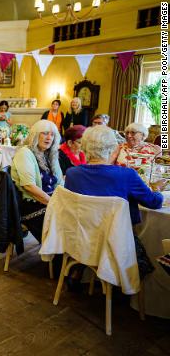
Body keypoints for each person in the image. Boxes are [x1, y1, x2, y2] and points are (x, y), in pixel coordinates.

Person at [65, 126, 167, 279]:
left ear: (84, 146)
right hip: (117, 241)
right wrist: (157, 189)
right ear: (113, 147)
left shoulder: (72, 174)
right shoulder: (126, 175)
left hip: (81, 237)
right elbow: (154, 202)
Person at [11, 120, 63, 242]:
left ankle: (71, 254)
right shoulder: (25, 153)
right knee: (63, 222)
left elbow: (60, 182)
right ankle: (57, 256)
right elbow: (29, 186)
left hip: (49, 201)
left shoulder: (50, 154)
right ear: (35, 135)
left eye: (52, 134)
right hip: (31, 204)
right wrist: (53, 204)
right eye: (45, 133)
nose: (49, 138)